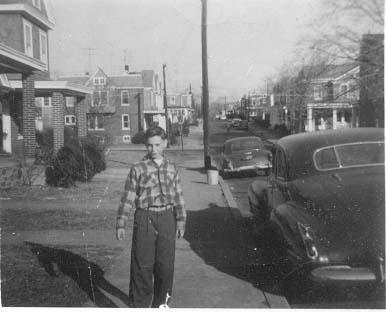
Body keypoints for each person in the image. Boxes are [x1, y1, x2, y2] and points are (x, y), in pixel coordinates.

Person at [116, 126, 186, 308]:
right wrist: (121, 223)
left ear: (164, 144)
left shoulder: (172, 168)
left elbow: (178, 196)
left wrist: (180, 220)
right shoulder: (138, 168)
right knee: (142, 266)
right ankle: (140, 306)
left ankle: (161, 305)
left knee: (165, 267)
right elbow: (128, 196)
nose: (153, 149)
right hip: (145, 218)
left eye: (157, 145)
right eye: (149, 146)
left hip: (167, 219)